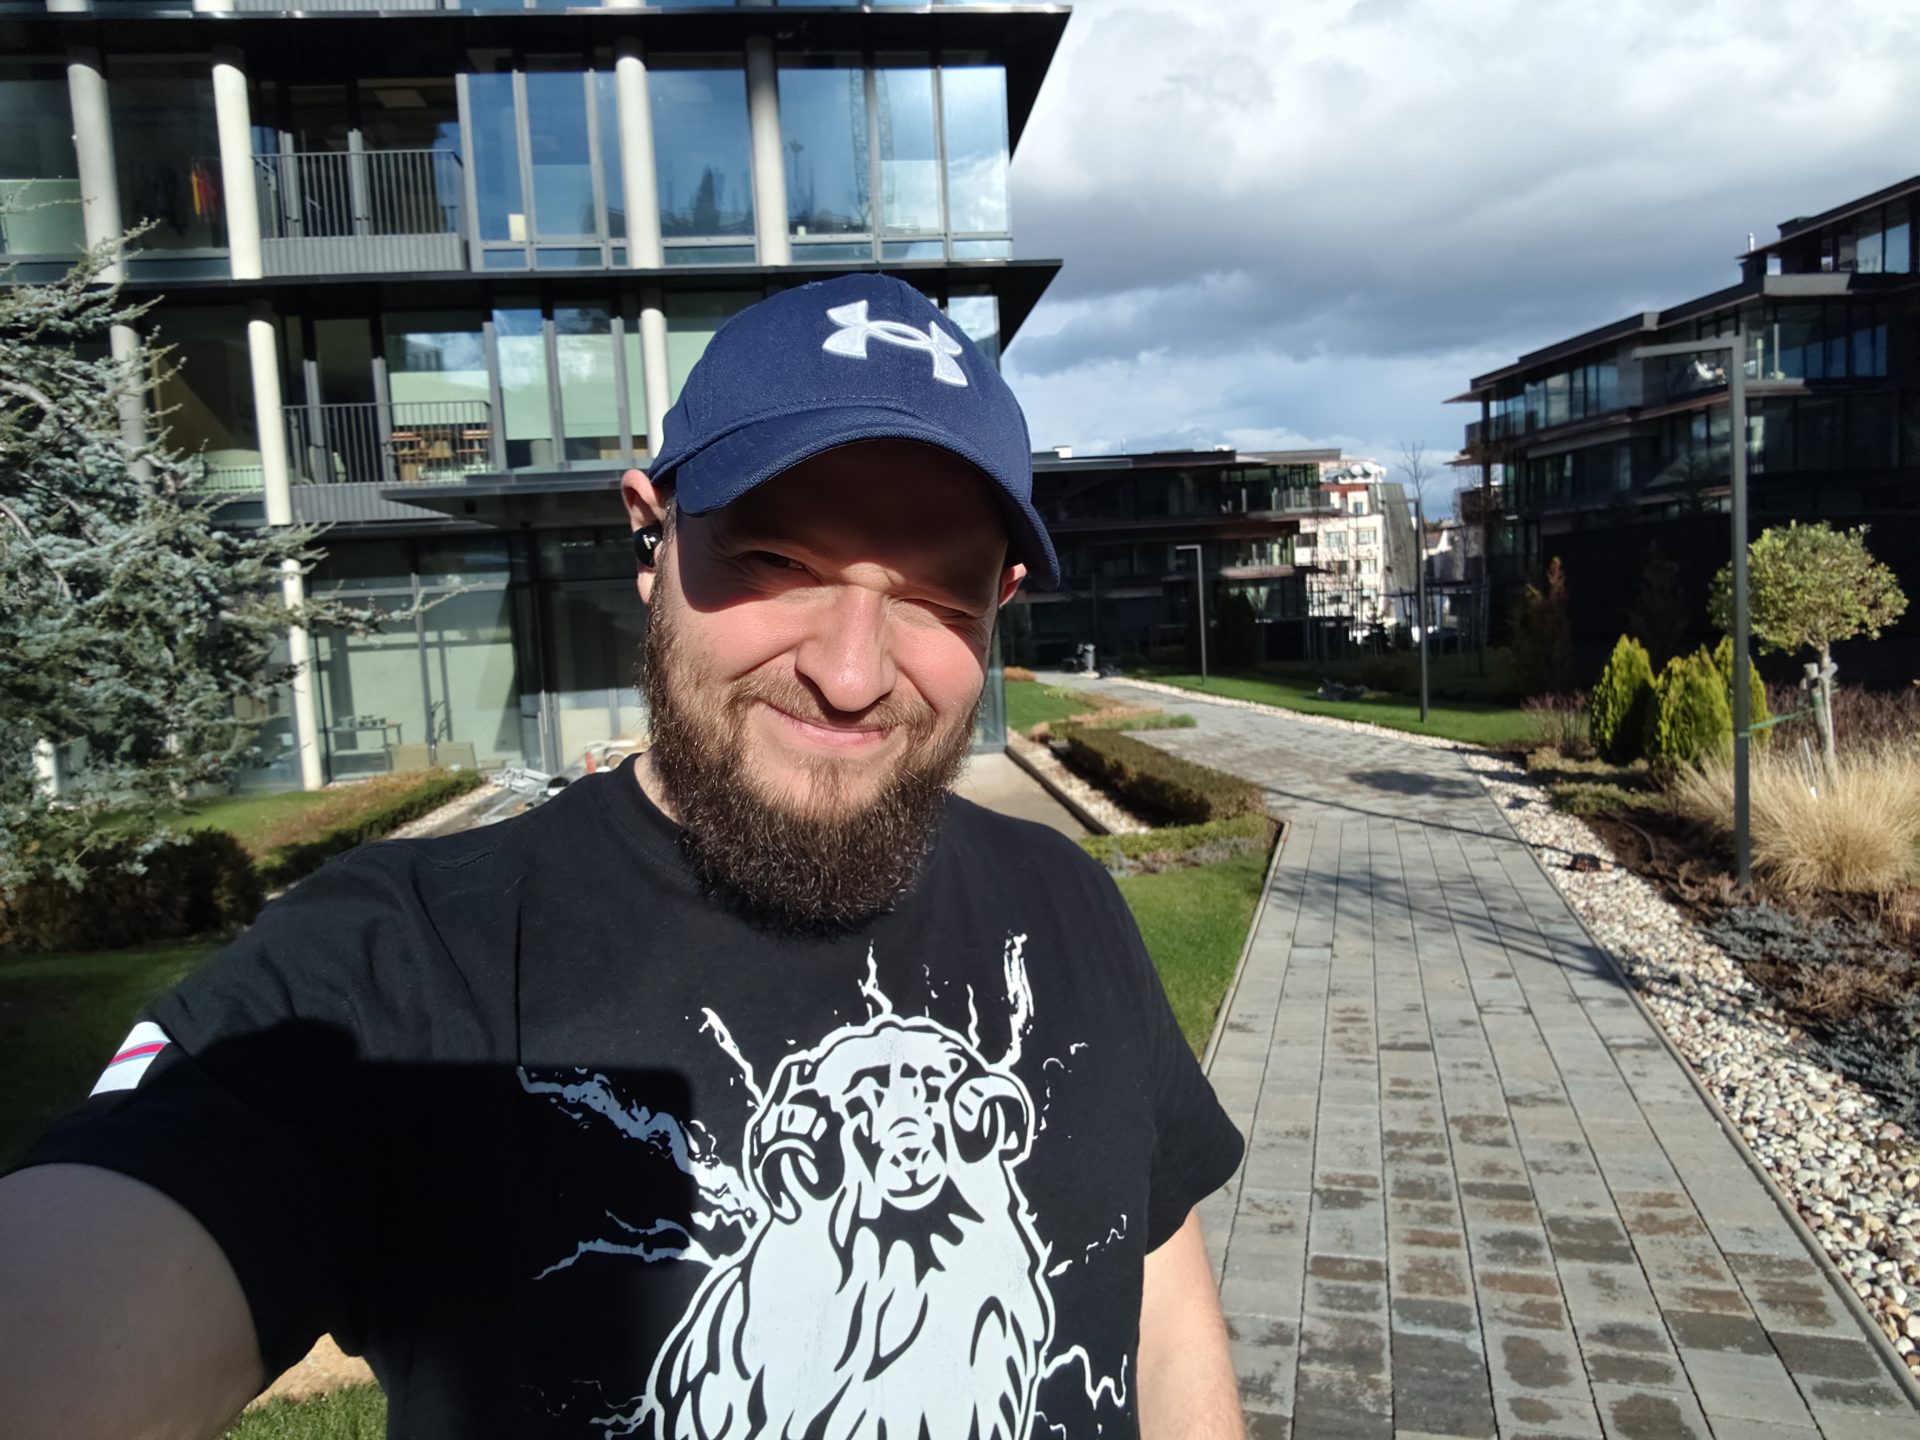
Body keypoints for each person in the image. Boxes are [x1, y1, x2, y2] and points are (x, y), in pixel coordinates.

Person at [0, 274, 1246, 1440]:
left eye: (936, 594)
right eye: (777, 561)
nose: (852, 672)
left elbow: (1165, 1312)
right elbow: (113, 1248)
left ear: (999, 605)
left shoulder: (1066, 903)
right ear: (652, 539)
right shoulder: (413, 965)